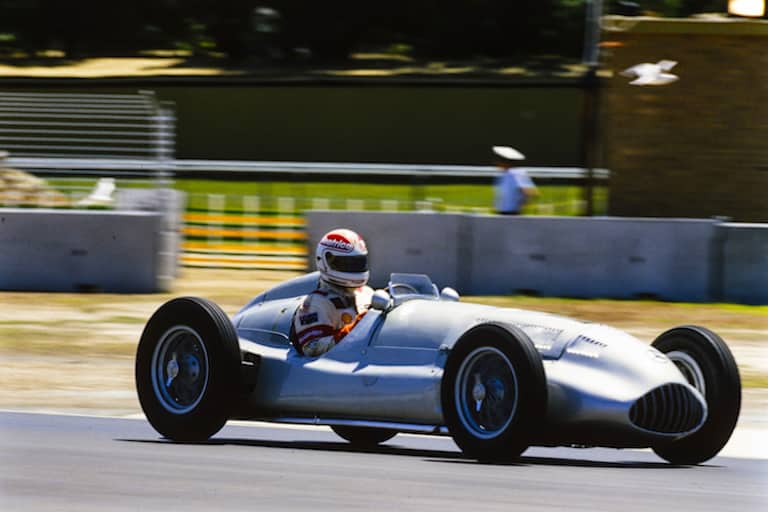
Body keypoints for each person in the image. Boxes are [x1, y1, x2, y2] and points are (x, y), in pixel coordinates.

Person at [293, 228, 373, 357]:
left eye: (358, 262)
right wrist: (356, 327)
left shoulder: (368, 294)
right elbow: (312, 348)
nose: (353, 268)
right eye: (347, 263)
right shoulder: (316, 303)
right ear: (325, 261)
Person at [492, 146, 538, 215]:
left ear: (504, 161)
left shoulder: (517, 174)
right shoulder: (502, 174)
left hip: (513, 213)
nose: (495, 162)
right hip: (501, 213)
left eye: (498, 160)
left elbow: (531, 193)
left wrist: (520, 206)